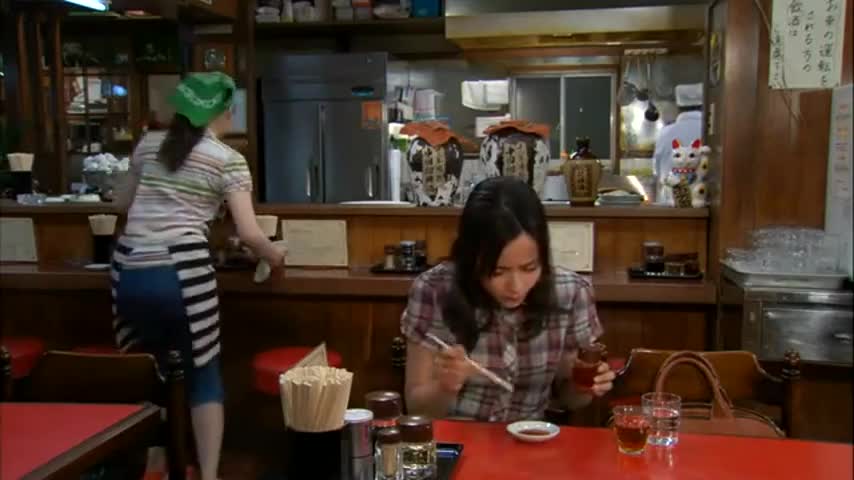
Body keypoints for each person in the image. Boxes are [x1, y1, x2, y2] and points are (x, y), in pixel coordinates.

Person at [112, 72, 285, 480]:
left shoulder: (149, 144)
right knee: (202, 374)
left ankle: (156, 466)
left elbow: (121, 203)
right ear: (226, 111)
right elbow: (249, 233)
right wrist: (274, 255)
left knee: (149, 371)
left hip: (129, 271)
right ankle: (207, 475)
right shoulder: (227, 158)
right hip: (181, 273)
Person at [401, 176, 615, 422]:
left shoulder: (572, 292)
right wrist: (445, 386)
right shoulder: (434, 289)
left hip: (529, 436)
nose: (516, 286)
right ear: (471, 259)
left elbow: (571, 400)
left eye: (529, 268)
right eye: (497, 271)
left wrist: (583, 385)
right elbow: (417, 409)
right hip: (456, 436)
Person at [653, 83, 703, 206]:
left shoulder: (665, 133)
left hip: (670, 206)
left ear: (678, 106)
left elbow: (657, 171)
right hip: (701, 205)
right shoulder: (712, 131)